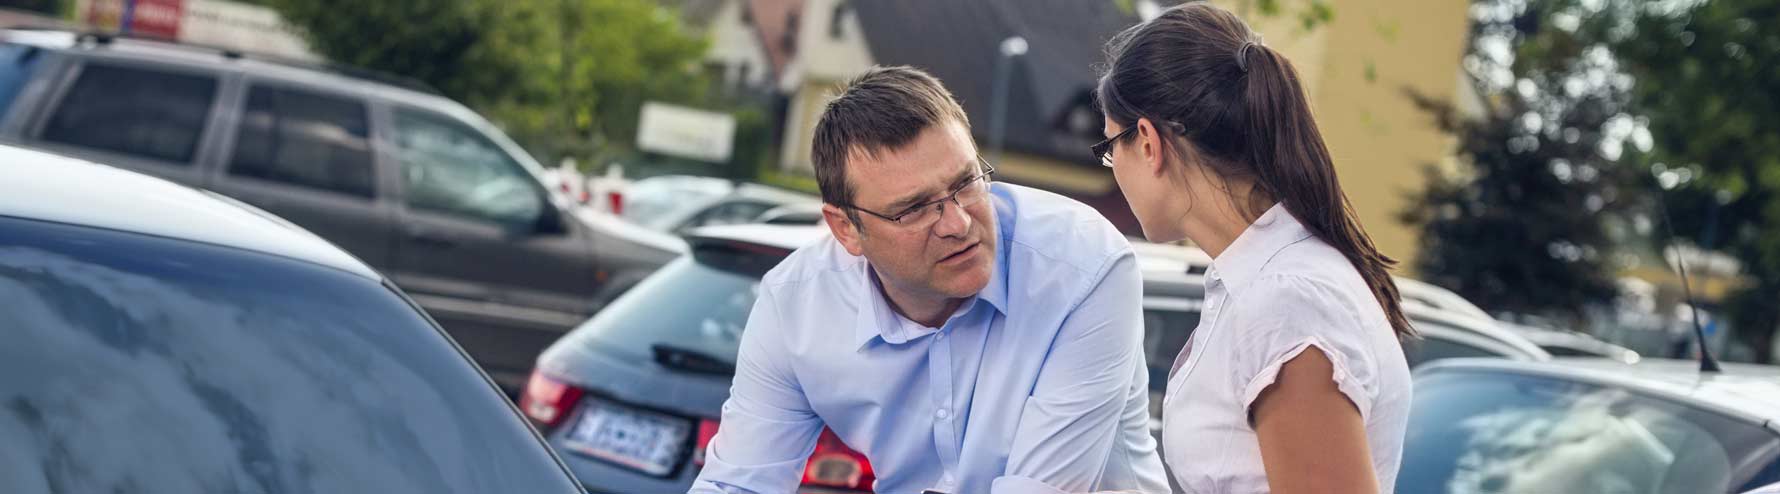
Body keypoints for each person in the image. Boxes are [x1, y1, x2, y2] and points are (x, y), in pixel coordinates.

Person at [689, 66, 1169, 494]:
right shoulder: (795, 305)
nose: (957, 223)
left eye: (965, 183)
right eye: (915, 209)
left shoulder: (1082, 265)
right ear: (845, 230)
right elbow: (737, 481)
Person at [1094, 3, 1415, 493]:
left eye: (1107, 148)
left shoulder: (1285, 299)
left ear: (1147, 142)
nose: (1111, 166)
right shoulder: (1265, 280)